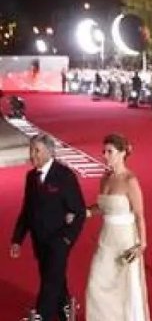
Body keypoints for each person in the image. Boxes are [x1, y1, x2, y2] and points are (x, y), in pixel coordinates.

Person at [10, 134, 86, 321]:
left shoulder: (64, 176)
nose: (32, 154)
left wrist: (67, 239)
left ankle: (41, 315)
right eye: (31, 150)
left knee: (50, 282)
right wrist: (17, 239)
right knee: (53, 277)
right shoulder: (31, 177)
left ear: (49, 152)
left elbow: (79, 211)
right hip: (40, 241)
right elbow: (27, 210)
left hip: (59, 241)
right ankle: (66, 309)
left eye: (36, 150)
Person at [84, 134, 150, 320]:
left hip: (125, 241)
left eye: (110, 151)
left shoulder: (130, 181)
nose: (105, 155)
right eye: (104, 151)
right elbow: (104, 207)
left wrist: (141, 245)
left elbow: (139, 215)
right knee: (96, 284)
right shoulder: (104, 179)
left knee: (123, 288)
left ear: (122, 153)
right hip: (106, 239)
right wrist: (85, 213)